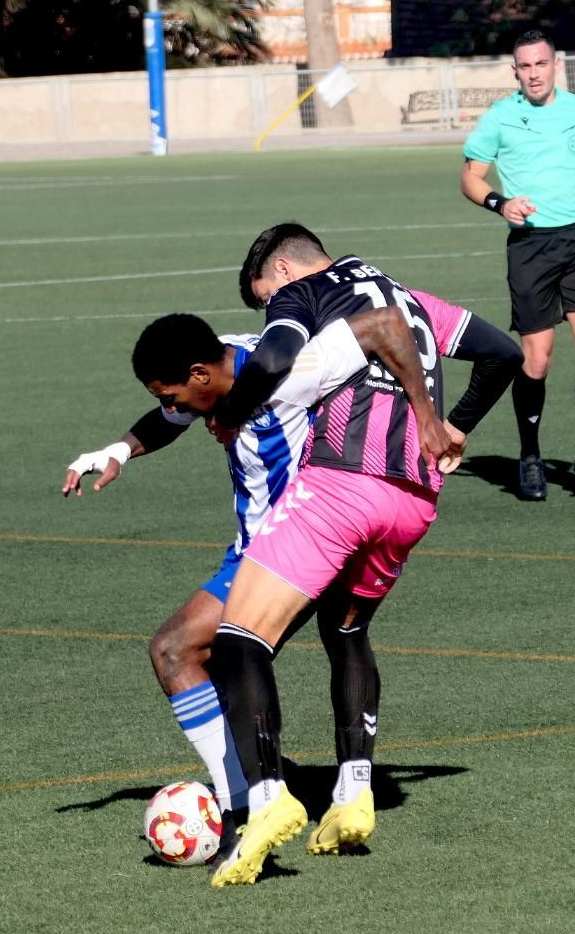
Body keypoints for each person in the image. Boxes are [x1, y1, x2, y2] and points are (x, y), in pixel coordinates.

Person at [192, 223, 520, 886]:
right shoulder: (413, 300)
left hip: (343, 484)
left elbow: (275, 357)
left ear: (285, 270)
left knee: (237, 641)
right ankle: (353, 792)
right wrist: (453, 425)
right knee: (346, 630)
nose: (268, 309)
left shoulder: (305, 293)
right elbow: (503, 354)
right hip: (415, 499)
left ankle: (268, 799)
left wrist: (235, 411)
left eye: (265, 296)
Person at [64, 312, 401, 855]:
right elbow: (169, 420)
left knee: (177, 650)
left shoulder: (289, 375)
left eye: (172, 395)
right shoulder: (222, 358)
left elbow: (375, 341)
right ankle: (271, 779)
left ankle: (244, 808)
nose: (172, 407)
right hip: (258, 548)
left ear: (200, 375)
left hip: (293, 550)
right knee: (217, 670)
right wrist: (119, 450)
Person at [460, 27, 575, 501]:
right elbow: (471, 177)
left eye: (541, 64)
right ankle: (530, 457)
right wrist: (500, 203)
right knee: (538, 358)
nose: (534, 73)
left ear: (557, 65)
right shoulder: (500, 117)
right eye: (525, 66)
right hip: (531, 248)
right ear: (515, 71)